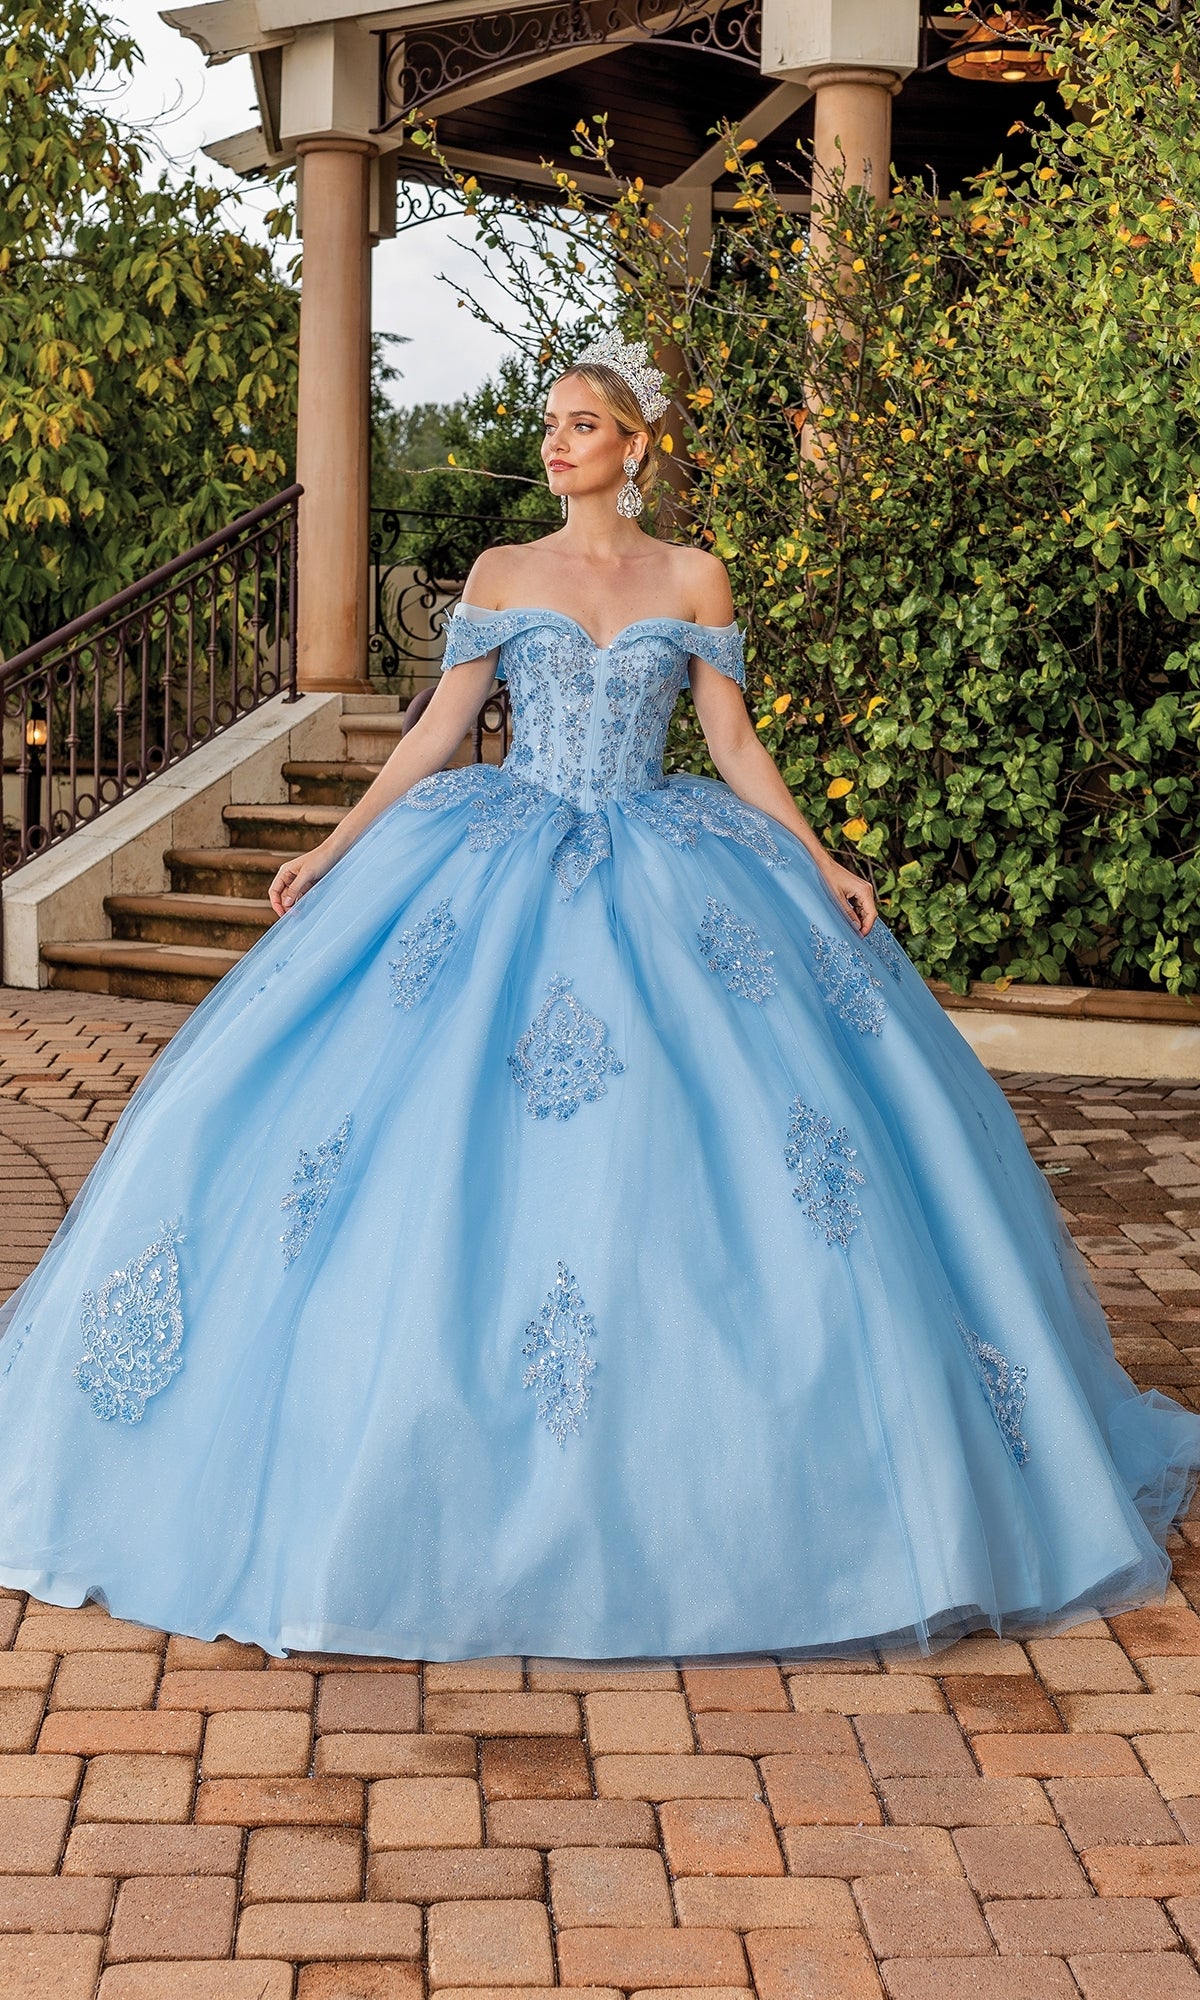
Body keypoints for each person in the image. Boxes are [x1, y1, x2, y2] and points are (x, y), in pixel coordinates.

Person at [0, 333, 1196, 1665]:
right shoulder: (505, 573)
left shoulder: (692, 575)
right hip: (497, 861)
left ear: (635, 446)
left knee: (744, 1154)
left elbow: (732, 742)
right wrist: (334, 853)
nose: (557, 441)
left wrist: (816, 857)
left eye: (583, 424)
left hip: (669, 863)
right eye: (552, 422)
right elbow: (439, 731)